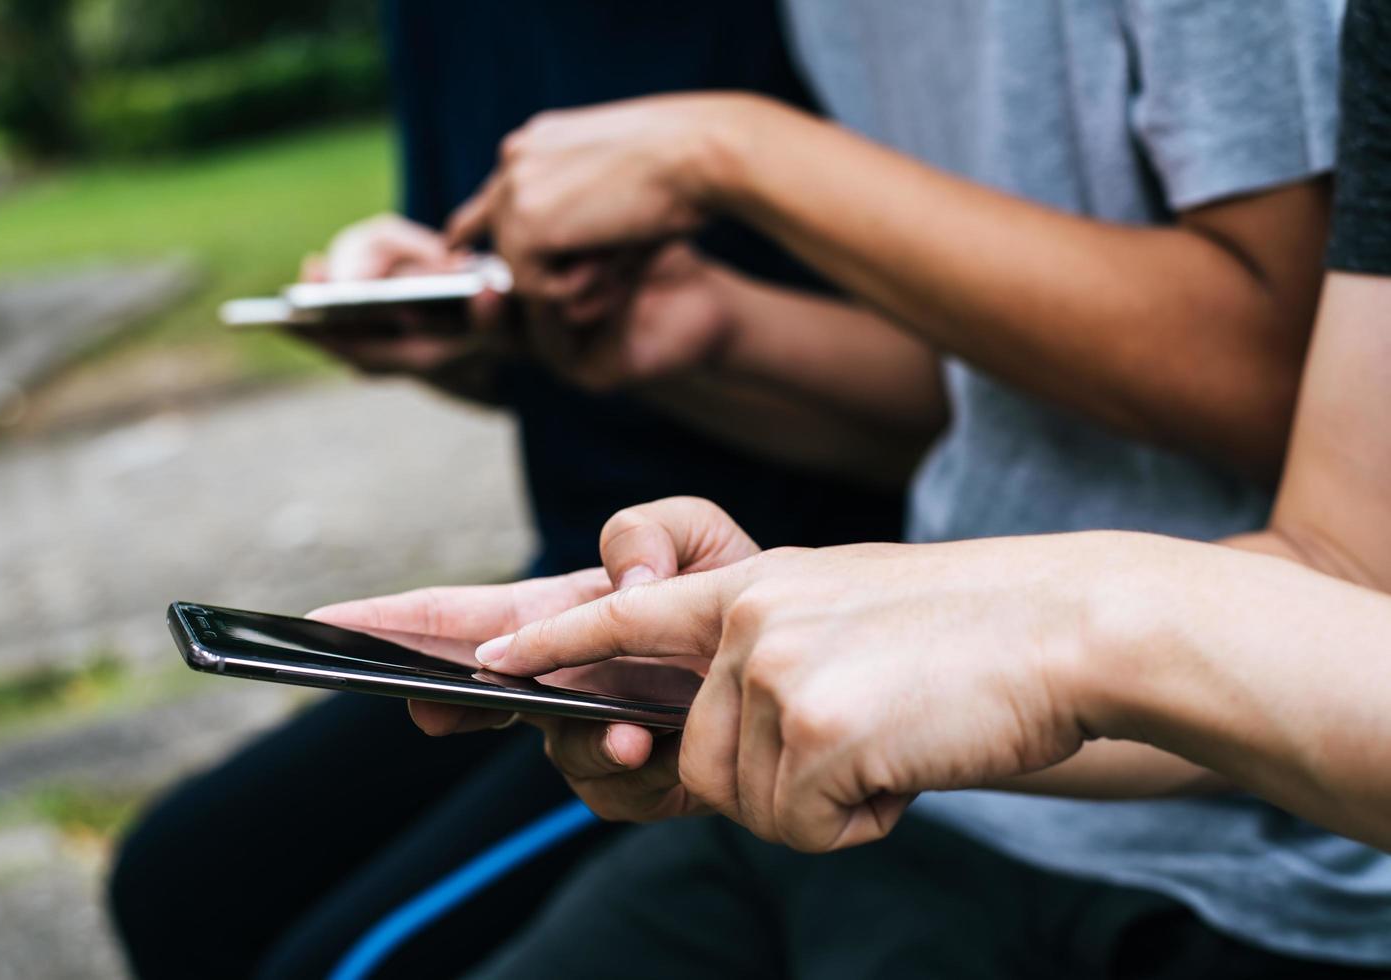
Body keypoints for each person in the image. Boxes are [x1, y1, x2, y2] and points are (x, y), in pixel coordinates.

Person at [317, 1, 1391, 976]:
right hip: (972, 799)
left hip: (1259, 884)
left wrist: (732, 148)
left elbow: (1301, 531)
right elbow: (1340, 569)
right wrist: (818, 636)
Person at [107, 3, 905, 979]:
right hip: (563, 599)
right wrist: (445, 326)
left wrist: (694, 317)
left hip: (799, 601)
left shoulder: (824, 37)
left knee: (342, 959)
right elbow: (532, 335)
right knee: (170, 879)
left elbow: (980, 414)